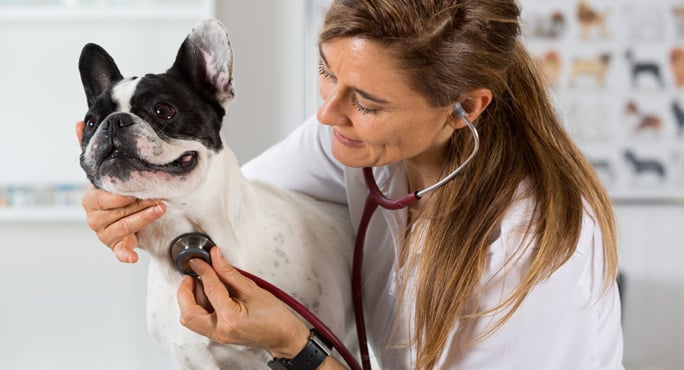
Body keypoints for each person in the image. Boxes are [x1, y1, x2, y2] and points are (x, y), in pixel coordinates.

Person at [77, 0, 624, 369]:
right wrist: (129, 206)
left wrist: (295, 345)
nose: (327, 114)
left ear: (465, 107)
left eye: (366, 101)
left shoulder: (535, 250)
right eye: (327, 73)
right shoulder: (354, 146)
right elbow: (223, 199)